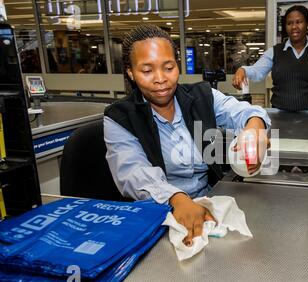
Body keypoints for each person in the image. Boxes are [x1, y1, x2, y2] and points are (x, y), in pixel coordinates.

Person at [104, 25, 271, 246]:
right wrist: (177, 199)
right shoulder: (119, 117)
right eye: (147, 70)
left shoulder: (202, 96)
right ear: (130, 73)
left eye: (168, 67)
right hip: (160, 214)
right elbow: (133, 172)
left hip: (209, 201)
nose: (160, 78)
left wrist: (255, 125)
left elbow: (243, 111)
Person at [232, 5, 308, 115]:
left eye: (299, 22)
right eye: (289, 23)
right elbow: (257, 71)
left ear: (307, 25)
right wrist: (243, 70)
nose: (294, 26)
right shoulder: (275, 52)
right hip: (279, 115)